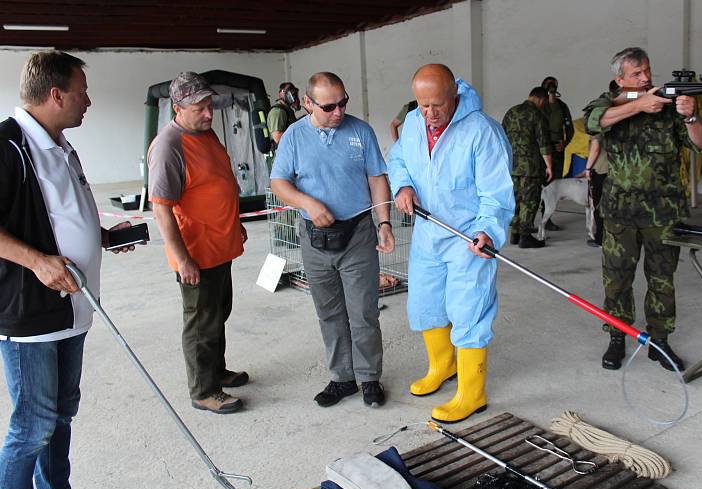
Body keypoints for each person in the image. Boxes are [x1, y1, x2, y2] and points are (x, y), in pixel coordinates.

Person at [0, 50, 134, 489]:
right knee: (33, 426)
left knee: (60, 415)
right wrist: (37, 261)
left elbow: (55, 216)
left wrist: (99, 238)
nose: (88, 102)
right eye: (82, 92)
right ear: (56, 94)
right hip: (32, 319)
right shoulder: (8, 146)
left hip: (73, 307)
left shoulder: (58, 144)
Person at [389, 64, 514, 423]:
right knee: (425, 302)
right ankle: (442, 366)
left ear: (454, 96)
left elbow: (496, 191)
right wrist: (403, 186)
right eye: (422, 105)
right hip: (429, 233)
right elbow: (399, 159)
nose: (429, 114)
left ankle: (472, 393)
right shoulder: (413, 122)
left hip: (467, 237)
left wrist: (488, 231)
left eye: (437, 105)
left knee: (469, 310)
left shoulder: (482, 131)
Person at [583, 47, 702, 372]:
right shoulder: (607, 102)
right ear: (620, 79)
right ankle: (617, 337)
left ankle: (660, 340)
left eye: (647, 72)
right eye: (636, 74)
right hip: (619, 213)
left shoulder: (669, 107)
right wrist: (638, 105)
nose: (645, 79)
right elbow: (592, 122)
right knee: (617, 280)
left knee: (662, 279)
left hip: (662, 212)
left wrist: (690, 115)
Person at [270, 72, 395, 408]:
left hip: (357, 233)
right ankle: (343, 378)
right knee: (329, 312)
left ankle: (369, 377)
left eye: (343, 102)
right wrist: (306, 202)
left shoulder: (361, 132)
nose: (339, 111)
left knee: (363, 312)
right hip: (314, 238)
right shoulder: (294, 137)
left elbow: (377, 179)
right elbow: (279, 182)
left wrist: (384, 222)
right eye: (329, 106)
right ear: (308, 103)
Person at [148, 72, 249, 415]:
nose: (208, 113)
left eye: (209, 105)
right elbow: (161, 209)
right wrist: (182, 258)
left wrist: (234, 223)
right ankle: (204, 390)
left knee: (218, 313)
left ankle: (216, 371)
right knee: (201, 323)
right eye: (200, 108)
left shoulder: (206, 133)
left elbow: (216, 183)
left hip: (221, 245)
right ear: (178, 108)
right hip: (197, 254)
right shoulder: (168, 147)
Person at [502, 86, 553, 249]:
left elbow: (501, 138)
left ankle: (515, 233)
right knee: (530, 201)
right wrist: (549, 166)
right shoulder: (537, 114)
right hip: (530, 168)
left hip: (512, 166)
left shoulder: (511, 112)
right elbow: (543, 143)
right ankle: (525, 236)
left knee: (515, 199)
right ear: (541, 100)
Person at [583, 80, 617, 247]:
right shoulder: (628, 111)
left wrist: (588, 168)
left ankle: (600, 238)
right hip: (618, 169)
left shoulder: (603, 113)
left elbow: (595, 147)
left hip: (602, 169)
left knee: (599, 206)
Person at [541, 76, 575, 232]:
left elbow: (569, 128)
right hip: (541, 152)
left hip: (556, 150)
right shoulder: (539, 106)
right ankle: (524, 225)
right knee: (536, 187)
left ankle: (547, 218)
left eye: (553, 86)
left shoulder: (561, 106)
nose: (551, 89)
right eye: (549, 86)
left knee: (554, 185)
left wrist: (565, 142)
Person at [267, 81, 300, 148]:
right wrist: (299, 132)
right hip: (282, 154)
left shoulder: (287, 110)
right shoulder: (278, 111)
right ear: (281, 94)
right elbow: (278, 138)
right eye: (292, 94)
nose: (294, 97)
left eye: (295, 94)